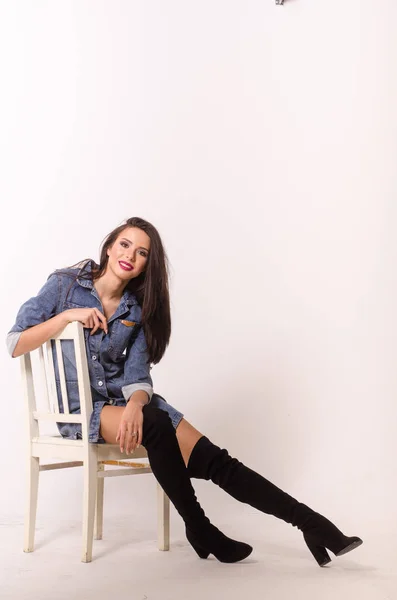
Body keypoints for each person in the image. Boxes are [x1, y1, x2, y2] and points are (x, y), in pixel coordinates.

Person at [7, 216, 363, 566]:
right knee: (157, 424)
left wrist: (134, 405)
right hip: (81, 413)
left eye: (142, 252)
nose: (130, 254)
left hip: (131, 407)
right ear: (110, 246)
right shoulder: (65, 285)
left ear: (147, 265)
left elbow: (137, 375)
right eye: (125, 244)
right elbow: (14, 342)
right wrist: (67, 317)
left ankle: (313, 525)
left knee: (216, 461)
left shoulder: (136, 309)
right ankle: (200, 528)